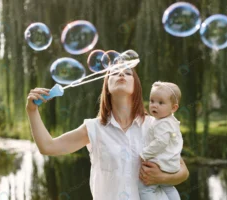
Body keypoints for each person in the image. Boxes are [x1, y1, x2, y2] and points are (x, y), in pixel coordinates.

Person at [26, 67, 189, 200]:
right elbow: (48, 147)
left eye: (128, 73)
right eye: (115, 72)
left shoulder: (154, 126)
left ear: (136, 86)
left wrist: (162, 178)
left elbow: (182, 171)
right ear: (107, 87)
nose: (121, 73)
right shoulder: (93, 128)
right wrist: (32, 110)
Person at [139, 81, 183, 200]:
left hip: (161, 165)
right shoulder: (169, 120)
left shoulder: (162, 124)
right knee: (169, 188)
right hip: (171, 166)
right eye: (152, 101)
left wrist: (144, 154)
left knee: (146, 189)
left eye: (161, 102)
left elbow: (160, 142)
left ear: (173, 108)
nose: (154, 105)